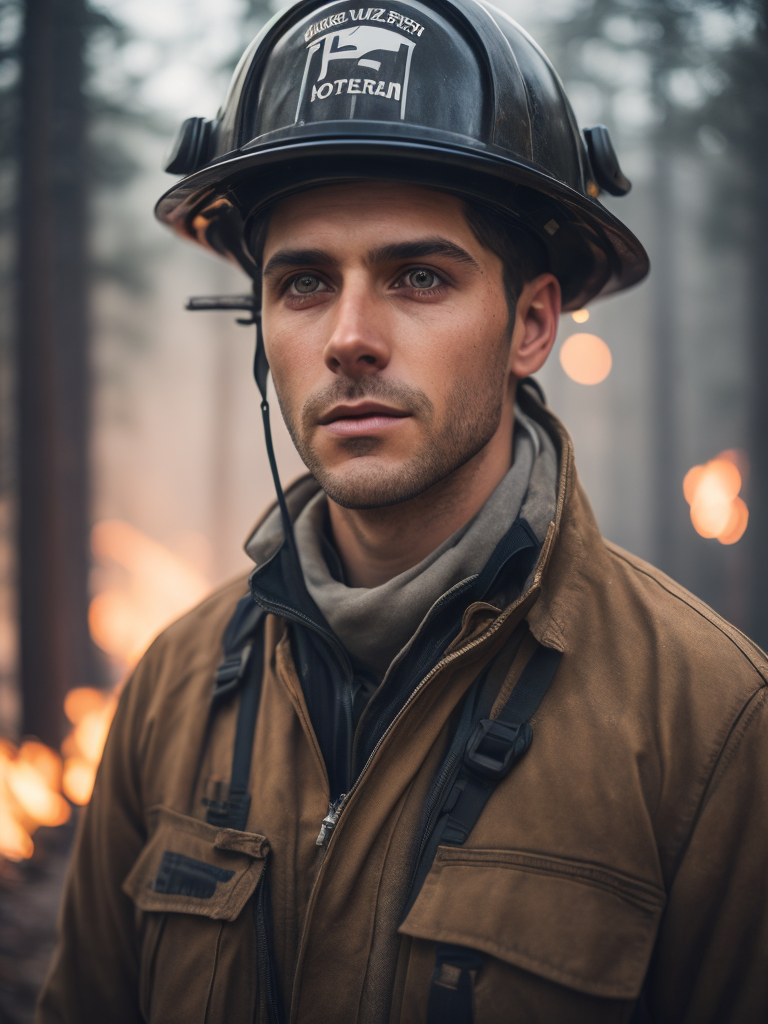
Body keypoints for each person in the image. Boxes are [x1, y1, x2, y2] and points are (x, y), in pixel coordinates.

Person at [38, 1, 768, 1022]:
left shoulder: (712, 723)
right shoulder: (173, 688)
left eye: (418, 276)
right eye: (301, 282)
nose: (348, 338)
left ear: (532, 324)